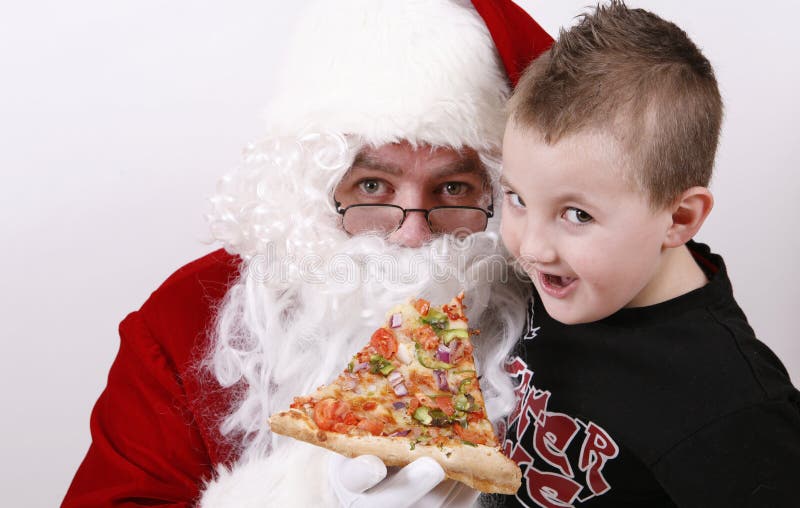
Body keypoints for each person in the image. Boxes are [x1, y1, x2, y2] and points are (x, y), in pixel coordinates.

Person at [62, 1, 553, 507]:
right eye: (372, 184)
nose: (411, 233)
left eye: (452, 188)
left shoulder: (562, 298)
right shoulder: (181, 320)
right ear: (311, 187)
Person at [496, 2, 800, 507]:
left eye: (578, 215)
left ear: (679, 219)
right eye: (518, 199)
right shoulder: (557, 278)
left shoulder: (734, 410)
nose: (530, 247)